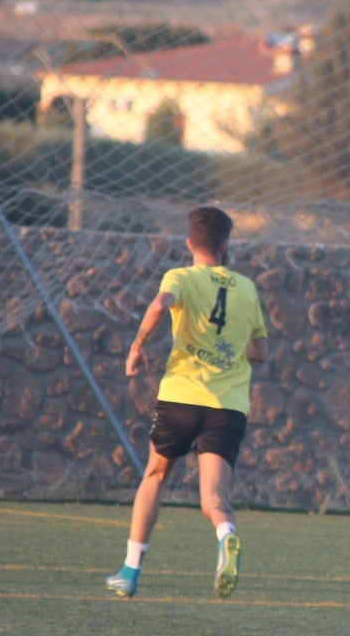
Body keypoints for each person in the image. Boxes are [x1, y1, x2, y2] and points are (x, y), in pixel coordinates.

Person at [106, 206, 268, 599]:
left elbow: (160, 305)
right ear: (225, 245)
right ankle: (226, 534)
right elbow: (260, 352)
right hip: (227, 406)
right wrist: (229, 347)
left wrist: (137, 346)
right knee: (214, 498)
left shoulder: (180, 277)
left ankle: (130, 571)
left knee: (155, 475)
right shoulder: (246, 288)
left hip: (181, 397)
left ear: (189, 243)